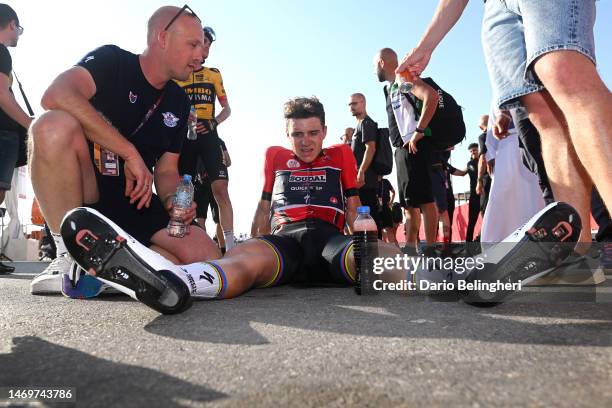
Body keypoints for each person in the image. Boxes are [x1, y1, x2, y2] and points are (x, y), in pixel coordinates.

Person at [29, 5, 219, 295]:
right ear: (162, 38)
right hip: (85, 192)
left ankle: (114, 268)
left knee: (207, 256)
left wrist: (172, 200)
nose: (200, 55)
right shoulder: (112, 61)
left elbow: (167, 171)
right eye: (193, 44)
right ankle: (67, 256)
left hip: (135, 202)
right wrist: (128, 152)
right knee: (51, 125)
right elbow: (56, 94)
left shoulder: (180, 102)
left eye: (202, 47)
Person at [397, 0, 612, 257]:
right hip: (495, 6)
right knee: (542, 114)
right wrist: (427, 44)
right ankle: (578, 255)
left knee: (563, 70)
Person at [176, 26, 236, 251]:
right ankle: (182, 241)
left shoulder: (213, 74)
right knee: (184, 189)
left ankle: (230, 247)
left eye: (209, 45)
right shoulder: (177, 76)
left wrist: (214, 122)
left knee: (220, 188)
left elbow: (227, 109)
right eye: (203, 43)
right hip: (185, 138)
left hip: (209, 135)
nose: (206, 48)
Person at [373, 48, 439, 253]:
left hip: (416, 145)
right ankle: (411, 249)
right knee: (409, 204)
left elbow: (431, 96)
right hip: (401, 149)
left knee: (426, 201)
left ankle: (430, 249)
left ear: (382, 62)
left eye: (374, 64)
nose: (373, 70)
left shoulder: (404, 78)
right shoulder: (390, 87)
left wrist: (419, 131)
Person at [0, 4, 31, 274]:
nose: (18, 35)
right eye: (18, 29)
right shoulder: (2, 53)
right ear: (11, 24)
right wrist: (32, 125)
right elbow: (2, 95)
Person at [348, 93, 382, 234]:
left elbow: (371, 147)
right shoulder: (359, 125)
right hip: (361, 181)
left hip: (365, 181)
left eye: (354, 103)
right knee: (362, 220)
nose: (351, 107)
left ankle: (374, 252)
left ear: (363, 103)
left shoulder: (367, 123)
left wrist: (361, 171)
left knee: (369, 219)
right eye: (350, 104)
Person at [452, 143, 480, 242]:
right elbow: (462, 173)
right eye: (471, 151)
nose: (473, 152)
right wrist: (448, 168)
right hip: (474, 196)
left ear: (479, 150)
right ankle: (469, 244)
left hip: (485, 194)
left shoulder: (484, 159)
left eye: (475, 150)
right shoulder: (470, 164)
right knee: (472, 221)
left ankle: (482, 238)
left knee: (487, 217)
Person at [378, 177, 397, 244]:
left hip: (385, 207)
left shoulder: (385, 181)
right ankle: (386, 247)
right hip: (377, 207)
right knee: (381, 230)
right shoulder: (372, 181)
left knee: (388, 228)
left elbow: (393, 192)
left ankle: (393, 249)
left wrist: (391, 203)